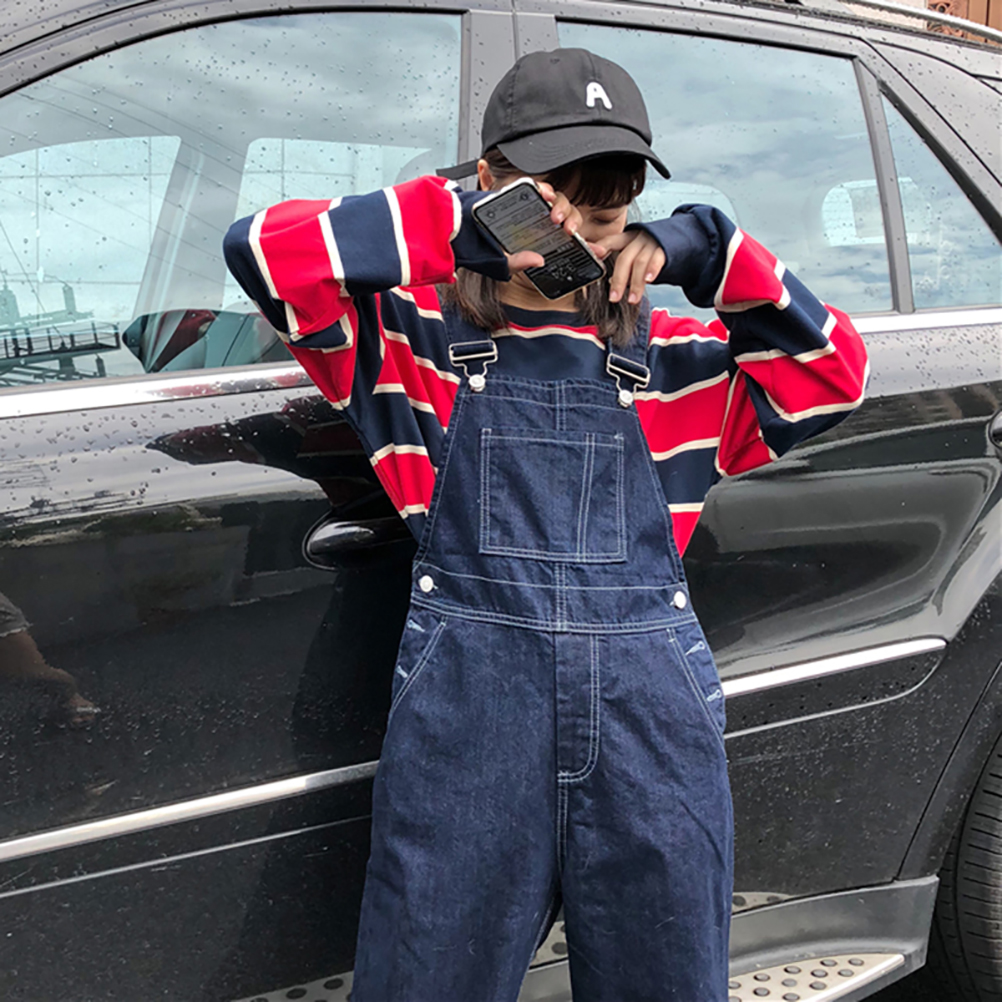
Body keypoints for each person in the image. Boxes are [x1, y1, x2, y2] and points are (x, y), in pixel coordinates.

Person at [223, 47, 868, 1002]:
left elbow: (834, 374)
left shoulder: (679, 362)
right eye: (547, 204)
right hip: (470, 734)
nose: (573, 236)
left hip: (651, 737)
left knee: (667, 980)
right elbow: (264, 251)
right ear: (491, 181)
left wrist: (710, 249)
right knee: (426, 976)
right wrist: (457, 228)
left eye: (605, 218)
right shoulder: (404, 346)